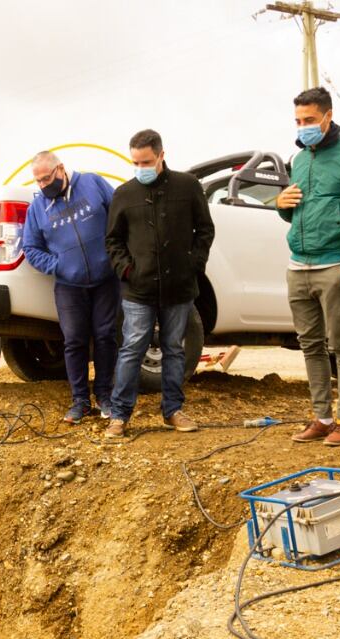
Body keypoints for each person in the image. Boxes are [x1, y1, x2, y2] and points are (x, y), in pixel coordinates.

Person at [274, 86, 340, 447]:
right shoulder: (300, 159)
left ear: (327, 116)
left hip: (335, 265)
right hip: (297, 267)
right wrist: (280, 204)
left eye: (309, 120)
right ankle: (321, 418)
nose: (302, 126)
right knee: (310, 345)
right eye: (298, 121)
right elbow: (296, 212)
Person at [103, 129, 215, 438]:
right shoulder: (123, 194)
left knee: (174, 350)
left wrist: (194, 265)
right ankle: (120, 415)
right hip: (138, 290)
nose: (141, 168)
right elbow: (112, 240)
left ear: (161, 156)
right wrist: (126, 270)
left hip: (179, 288)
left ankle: (173, 410)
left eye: (147, 161)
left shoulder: (188, 187)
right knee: (131, 349)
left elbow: (205, 230)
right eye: (136, 162)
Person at [22, 151, 119, 424]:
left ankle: (104, 396)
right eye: (37, 181)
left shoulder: (92, 183)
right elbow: (30, 247)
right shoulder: (37, 208)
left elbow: (118, 217)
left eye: (46, 178)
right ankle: (80, 401)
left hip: (105, 279)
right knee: (74, 340)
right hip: (68, 285)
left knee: (105, 336)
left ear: (61, 169)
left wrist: (115, 255)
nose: (42, 185)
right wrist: (58, 266)